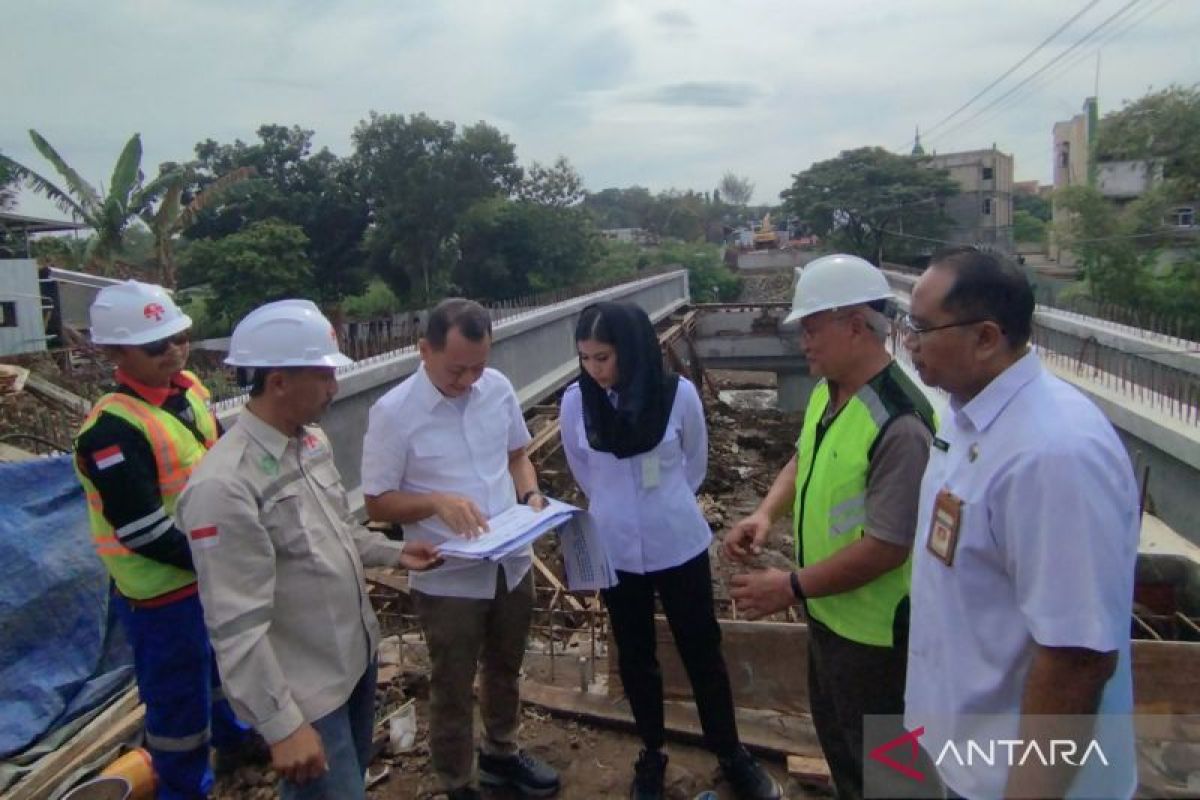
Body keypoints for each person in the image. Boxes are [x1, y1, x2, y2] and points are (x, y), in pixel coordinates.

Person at [176, 299, 441, 800]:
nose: (334, 389)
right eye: (323, 377)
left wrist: (392, 554)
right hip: (308, 694)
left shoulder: (310, 443)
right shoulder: (225, 487)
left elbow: (334, 531)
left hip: (354, 664)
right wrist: (282, 726)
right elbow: (235, 627)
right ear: (279, 382)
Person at [902, 247, 1138, 799]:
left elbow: (1077, 658)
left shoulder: (1053, 454)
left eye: (921, 327)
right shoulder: (967, 417)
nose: (908, 341)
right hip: (960, 754)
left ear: (986, 338)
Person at [725, 254, 936, 800]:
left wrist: (789, 586)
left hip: (878, 640)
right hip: (829, 620)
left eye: (813, 328)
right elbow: (803, 458)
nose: (804, 342)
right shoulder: (829, 391)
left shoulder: (900, 422)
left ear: (855, 326)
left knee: (892, 774)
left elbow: (888, 547)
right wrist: (765, 513)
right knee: (843, 751)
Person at [559, 302, 782, 800]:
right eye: (586, 358)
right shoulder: (577, 402)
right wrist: (622, 507)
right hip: (615, 551)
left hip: (678, 544)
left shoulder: (676, 395)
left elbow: (694, 465)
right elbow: (583, 472)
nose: (595, 371)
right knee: (636, 656)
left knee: (702, 650)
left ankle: (730, 753)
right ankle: (652, 751)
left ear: (632, 350)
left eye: (604, 358)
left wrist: (656, 507)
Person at [360, 298, 561, 800]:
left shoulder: (496, 390)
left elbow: (518, 456)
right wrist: (434, 503)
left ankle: (501, 754)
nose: (469, 378)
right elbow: (378, 502)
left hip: (511, 561)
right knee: (451, 683)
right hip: (448, 573)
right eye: (457, 369)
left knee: (506, 668)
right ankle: (458, 782)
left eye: (479, 365)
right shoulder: (393, 413)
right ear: (423, 350)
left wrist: (530, 495)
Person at [73, 280, 258, 800]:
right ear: (116, 352)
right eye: (156, 346)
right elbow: (143, 530)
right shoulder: (110, 432)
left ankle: (239, 740)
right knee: (178, 699)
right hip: (162, 592)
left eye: (179, 337)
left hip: (207, 571)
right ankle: (184, 786)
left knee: (226, 665)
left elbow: (220, 459)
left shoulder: (190, 390)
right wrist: (218, 557)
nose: (173, 351)